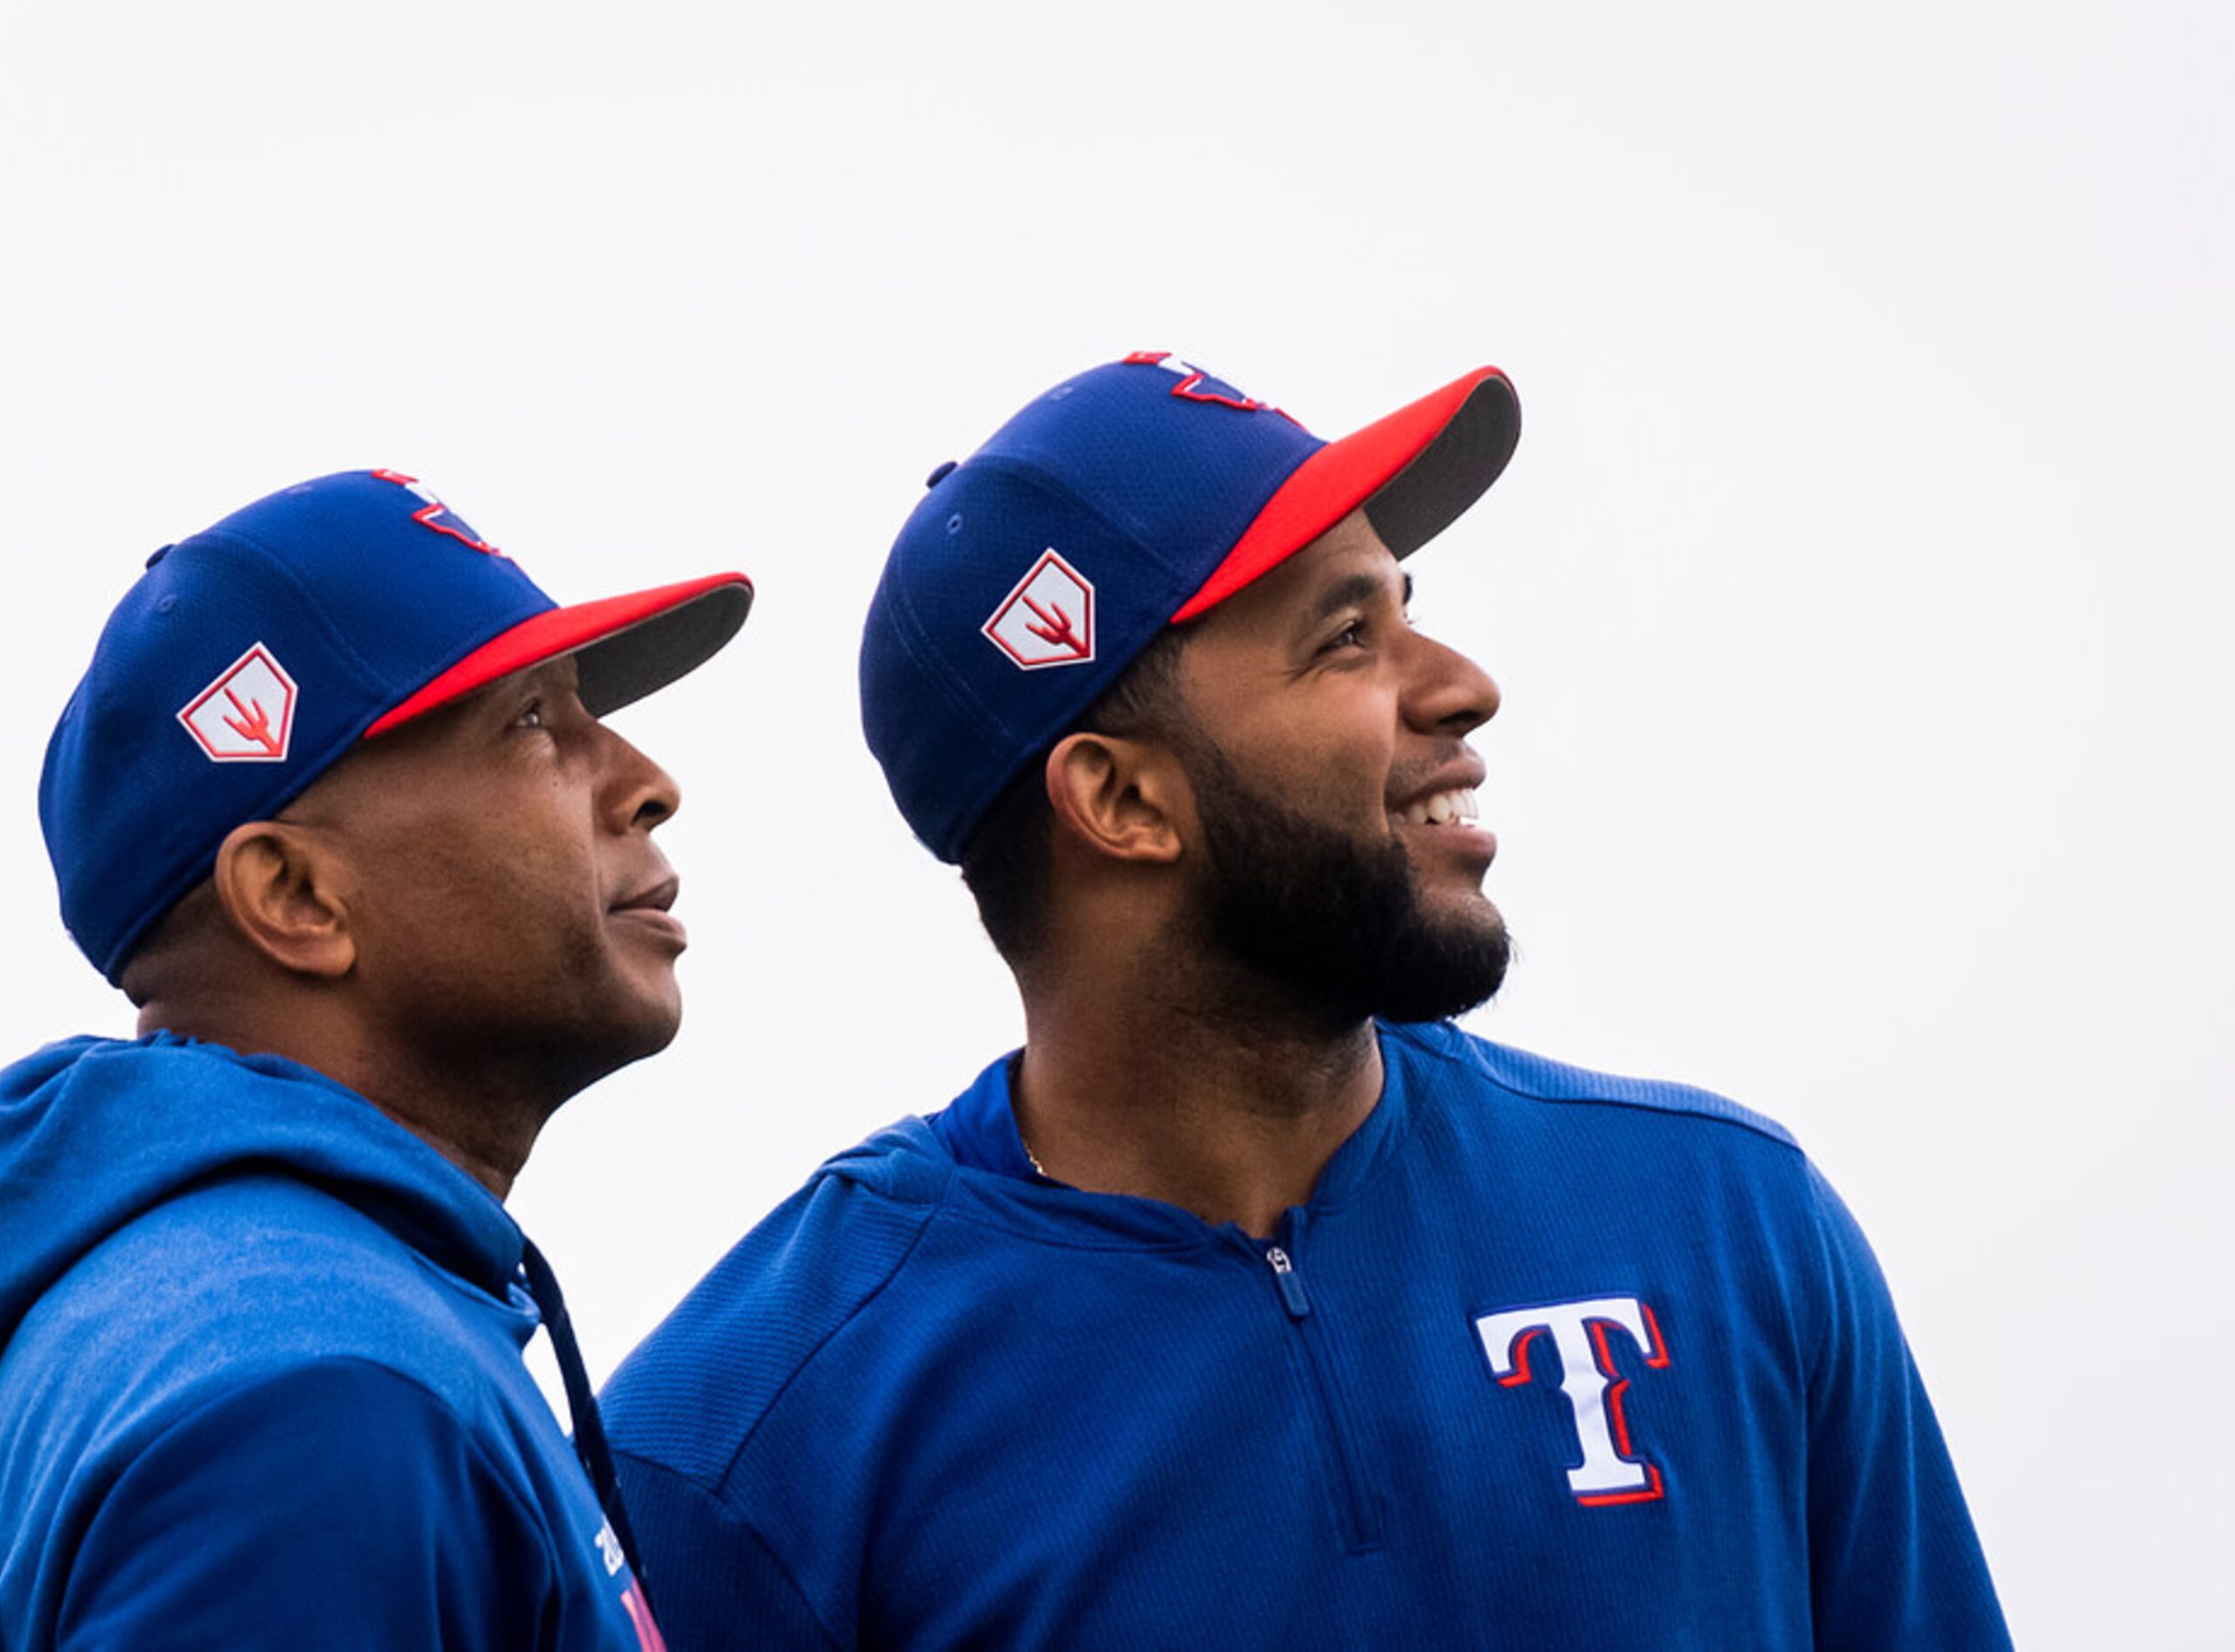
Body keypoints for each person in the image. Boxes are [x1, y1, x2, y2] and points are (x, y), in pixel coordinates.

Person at [599, 354, 2010, 1647]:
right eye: (1348, 638)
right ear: (1122, 798)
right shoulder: (743, 1438)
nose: (1461, 688)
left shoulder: (1725, 1220)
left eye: (1413, 612)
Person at [0, 469, 751, 1649]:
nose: (644, 782)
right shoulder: (321, 1394)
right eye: (533, 722)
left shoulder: (179, 1326)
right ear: (297, 894)